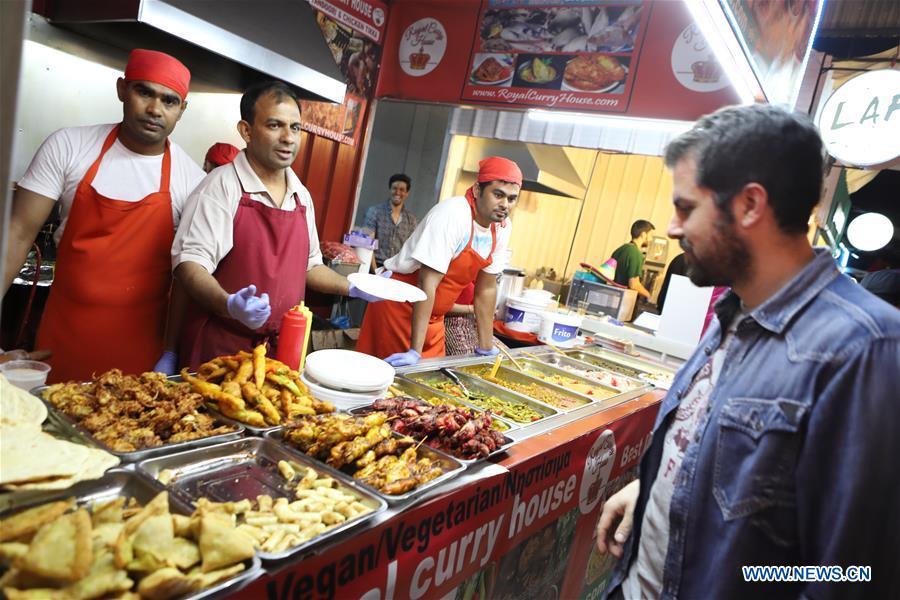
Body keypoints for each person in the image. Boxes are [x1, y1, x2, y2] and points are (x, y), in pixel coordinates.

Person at [595, 105, 900, 599]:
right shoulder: (737, 311)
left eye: (687, 208)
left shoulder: (866, 350)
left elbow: (852, 575)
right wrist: (661, 500)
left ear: (750, 206)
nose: (673, 228)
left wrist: (740, 570)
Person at [3, 49, 204, 383]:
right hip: (60, 340)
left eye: (169, 101)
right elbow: (17, 234)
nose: (155, 109)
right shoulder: (68, 146)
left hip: (140, 355)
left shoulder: (192, 181)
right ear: (122, 90)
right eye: (144, 92)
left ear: (182, 110)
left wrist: (171, 350)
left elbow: (186, 276)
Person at [171, 80, 384, 367]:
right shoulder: (220, 187)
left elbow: (311, 266)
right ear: (246, 131)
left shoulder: (301, 195)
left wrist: (352, 286)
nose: (288, 138)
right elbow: (190, 265)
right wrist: (229, 304)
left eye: (295, 128)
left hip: (278, 353)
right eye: (274, 125)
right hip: (221, 351)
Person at [356, 157, 521, 367]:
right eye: (498, 195)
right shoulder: (453, 215)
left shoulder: (502, 227)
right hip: (399, 307)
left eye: (512, 199)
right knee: (390, 389)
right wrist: (414, 351)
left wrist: (485, 347)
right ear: (478, 189)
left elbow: (486, 289)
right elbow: (427, 283)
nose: (505, 205)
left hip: (434, 318)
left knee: (429, 386)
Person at [363, 173, 418, 269]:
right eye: (394, 188)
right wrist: (376, 271)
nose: (397, 192)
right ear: (390, 189)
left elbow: (411, 248)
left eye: (402, 190)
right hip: (375, 266)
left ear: (407, 193)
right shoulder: (374, 212)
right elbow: (368, 243)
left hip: (397, 270)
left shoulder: (411, 220)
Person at [610, 220, 654, 299]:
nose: (651, 239)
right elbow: (634, 284)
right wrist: (649, 296)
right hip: (622, 301)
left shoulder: (620, 250)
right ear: (643, 235)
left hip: (612, 296)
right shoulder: (635, 254)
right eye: (650, 235)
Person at [444, 282, 478, 356]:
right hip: (452, 322)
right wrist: (474, 309)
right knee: (468, 361)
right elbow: (440, 306)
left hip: (473, 321)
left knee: (502, 355)